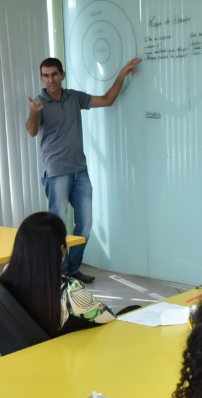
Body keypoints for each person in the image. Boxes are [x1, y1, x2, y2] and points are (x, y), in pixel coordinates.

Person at [26, 55, 141, 284]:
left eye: (54, 74)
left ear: (62, 75)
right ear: (41, 78)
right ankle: (55, 274)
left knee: (85, 224)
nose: (51, 80)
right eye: (46, 76)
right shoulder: (39, 103)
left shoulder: (73, 97)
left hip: (80, 171)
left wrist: (120, 75)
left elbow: (107, 100)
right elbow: (31, 131)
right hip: (56, 172)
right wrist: (33, 113)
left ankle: (71, 269)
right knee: (57, 229)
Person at [0, 211, 115, 336]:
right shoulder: (71, 291)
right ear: (62, 249)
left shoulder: (8, 273)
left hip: (32, 349)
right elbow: (108, 316)